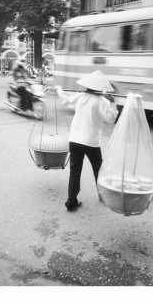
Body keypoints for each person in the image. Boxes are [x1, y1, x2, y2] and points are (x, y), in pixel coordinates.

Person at [56, 70, 118, 212]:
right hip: (91, 142)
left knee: (74, 172)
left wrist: (59, 89)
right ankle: (103, 196)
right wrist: (113, 103)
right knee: (99, 171)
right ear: (100, 87)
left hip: (75, 140)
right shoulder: (103, 101)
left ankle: (71, 202)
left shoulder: (80, 96)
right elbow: (111, 119)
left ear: (87, 85)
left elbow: (65, 101)